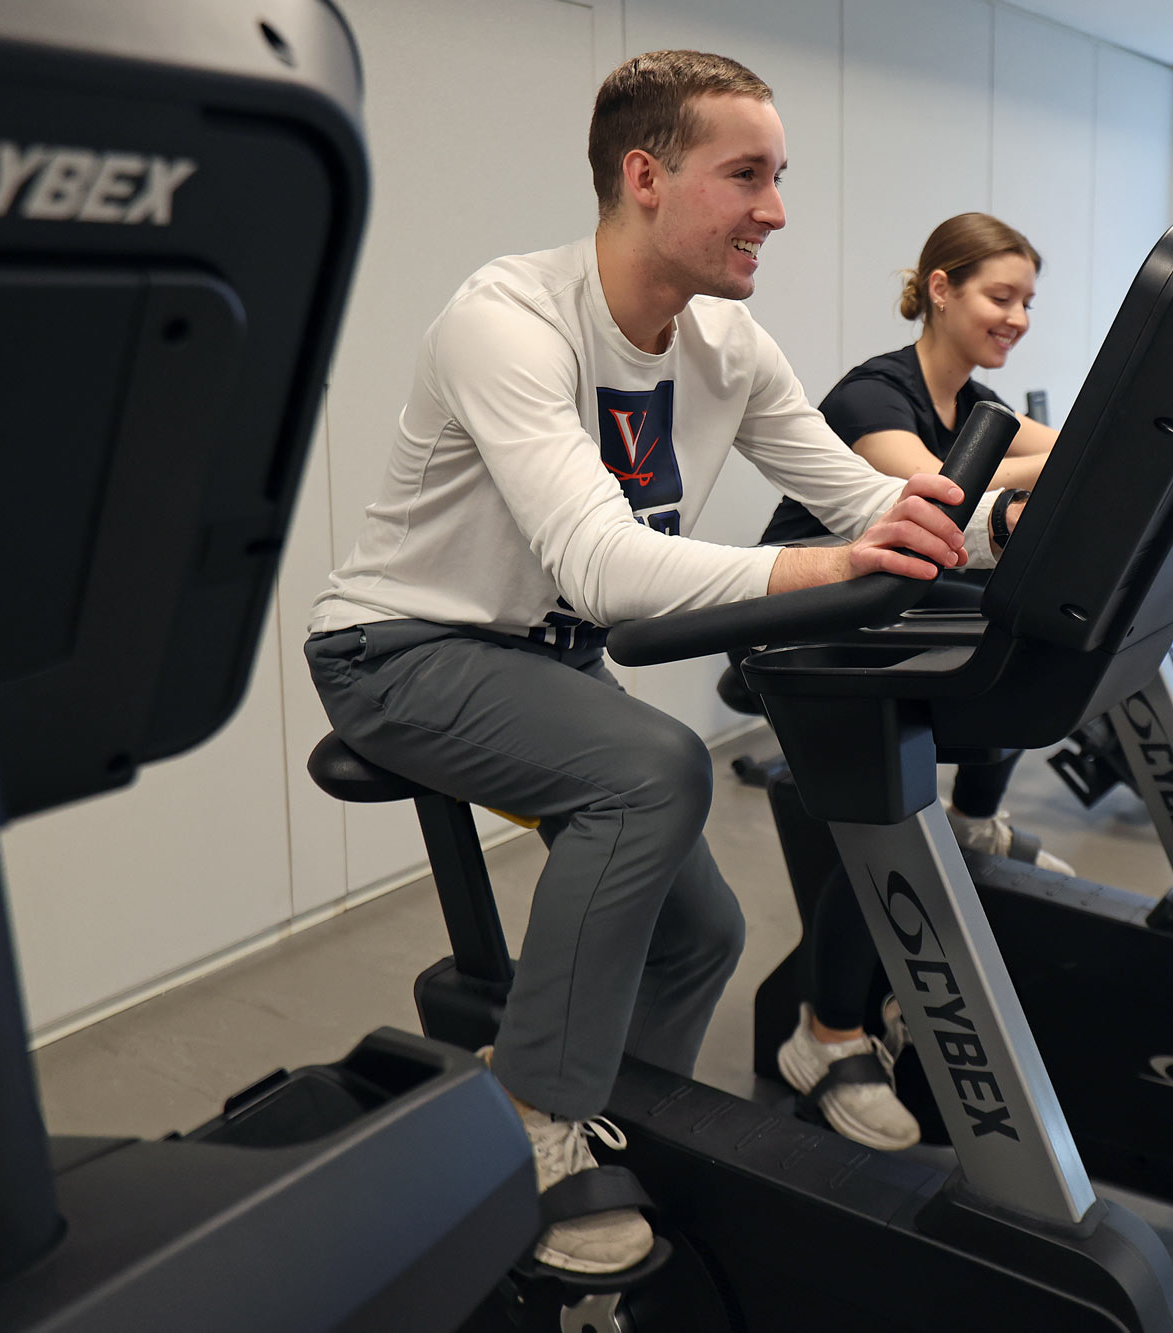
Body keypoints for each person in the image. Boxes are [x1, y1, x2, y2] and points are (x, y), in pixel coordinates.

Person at [303, 51, 1022, 1277]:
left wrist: (999, 533)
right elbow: (604, 568)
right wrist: (828, 562)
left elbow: (865, 496)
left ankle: (604, 1112)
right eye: (746, 175)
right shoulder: (508, 320)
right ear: (645, 175)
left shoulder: (726, 345)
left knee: (701, 934)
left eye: (777, 176)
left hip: (545, 662)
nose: (776, 210)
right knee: (657, 767)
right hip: (400, 647)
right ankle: (531, 1118)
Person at [760, 214, 1073, 1155]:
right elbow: (938, 498)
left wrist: (1013, 463)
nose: (1016, 317)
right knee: (890, 812)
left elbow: (1074, 453)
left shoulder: (976, 400)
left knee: (1034, 638)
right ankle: (826, 1034)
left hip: (888, 606)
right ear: (940, 288)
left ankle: (974, 822)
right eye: (999, 295)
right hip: (808, 625)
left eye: (1026, 302)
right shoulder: (874, 393)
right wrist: (1013, 469)